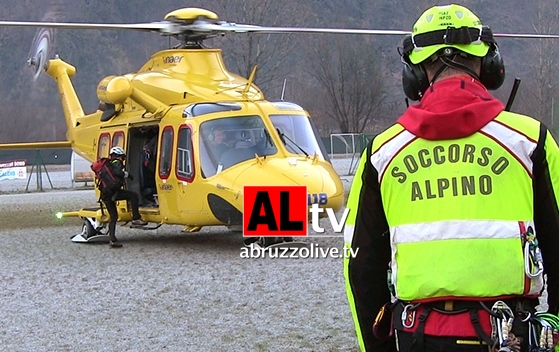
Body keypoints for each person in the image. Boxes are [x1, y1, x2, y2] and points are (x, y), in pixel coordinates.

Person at [344, 4, 559, 352]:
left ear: (414, 73)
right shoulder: (531, 142)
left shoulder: (382, 153)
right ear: (490, 65)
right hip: (512, 337)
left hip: (416, 338)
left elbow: (360, 265)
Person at [101, 146, 148, 248]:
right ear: (119, 156)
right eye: (122, 157)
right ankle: (136, 218)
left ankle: (112, 240)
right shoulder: (116, 163)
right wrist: (127, 175)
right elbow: (118, 173)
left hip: (106, 195)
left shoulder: (108, 165)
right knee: (133, 196)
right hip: (113, 193)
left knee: (113, 217)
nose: (123, 159)